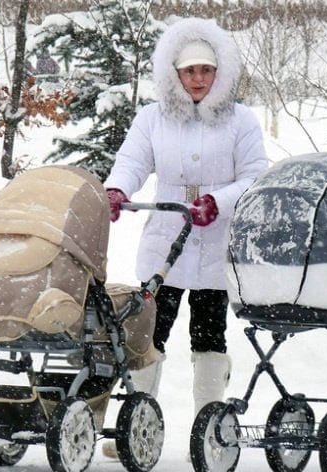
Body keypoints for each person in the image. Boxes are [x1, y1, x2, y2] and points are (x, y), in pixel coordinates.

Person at [102, 17, 268, 455]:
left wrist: (219, 201)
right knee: (147, 335)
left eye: (206, 71)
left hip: (217, 247)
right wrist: (118, 189)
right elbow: (132, 161)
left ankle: (208, 432)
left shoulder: (240, 120)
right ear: (173, 74)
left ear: (220, 73)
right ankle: (134, 429)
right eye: (189, 71)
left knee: (209, 335)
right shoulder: (153, 118)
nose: (197, 79)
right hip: (165, 246)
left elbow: (254, 178)